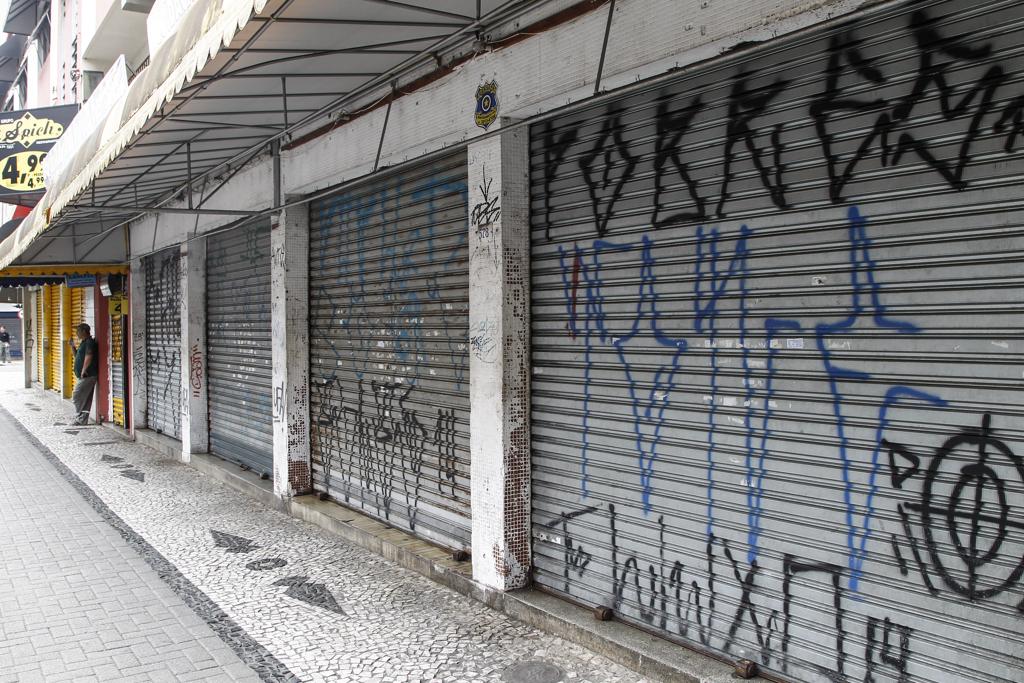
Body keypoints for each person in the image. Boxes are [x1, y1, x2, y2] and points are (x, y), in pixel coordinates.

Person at [68, 323, 99, 425]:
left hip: (88, 375)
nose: (77, 333)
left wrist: (83, 370)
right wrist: (72, 346)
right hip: (85, 375)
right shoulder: (83, 343)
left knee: (76, 396)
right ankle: (82, 420)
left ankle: (79, 418)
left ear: (84, 331)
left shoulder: (90, 342)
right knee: (86, 399)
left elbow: (89, 356)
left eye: (78, 331)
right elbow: (77, 356)